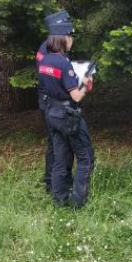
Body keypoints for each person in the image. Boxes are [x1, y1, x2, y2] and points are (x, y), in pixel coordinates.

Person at [37, 11, 95, 207]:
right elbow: (76, 96)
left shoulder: (44, 60)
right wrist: (85, 82)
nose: (72, 40)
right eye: (70, 36)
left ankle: (59, 199)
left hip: (51, 112)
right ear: (63, 38)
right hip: (67, 115)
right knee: (85, 157)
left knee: (60, 159)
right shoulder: (64, 63)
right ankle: (79, 201)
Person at [36, 11, 72, 194]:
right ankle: (53, 182)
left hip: (49, 100)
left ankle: (55, 180)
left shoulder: (49, 47)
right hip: (51, 102)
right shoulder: (49, 50)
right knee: (57, 143)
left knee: (56, 142)